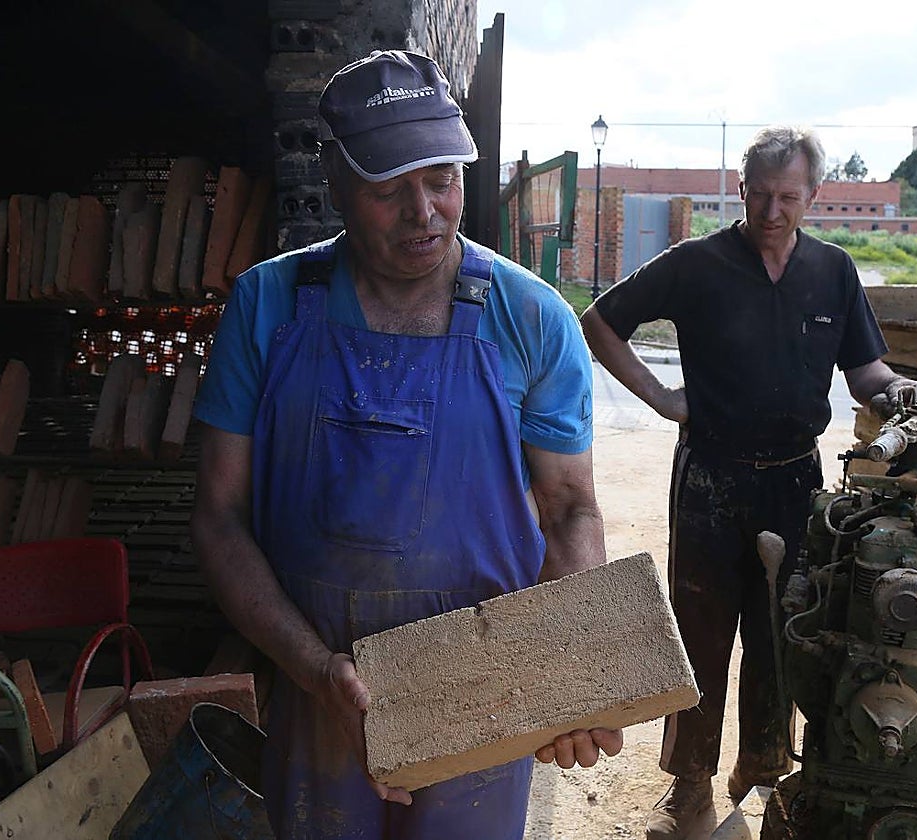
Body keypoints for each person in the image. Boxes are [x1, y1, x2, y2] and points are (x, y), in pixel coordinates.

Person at [190, 49, 622, 840]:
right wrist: (316, 672)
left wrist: (568, 670)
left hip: (485, 699)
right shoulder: (268, 305)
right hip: (317, 687)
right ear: (336, 184)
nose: (426, 212)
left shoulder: (531, 317)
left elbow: (568, 509)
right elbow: (219, 515)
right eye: (390, 190)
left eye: (443, 180)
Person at [579, 125, 917, 840]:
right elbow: (600, 321)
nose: (772, 211)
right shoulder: (696, 265)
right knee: (701, 632)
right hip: (710, 477)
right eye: (759, 195)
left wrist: (899, 390)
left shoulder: (833, 270)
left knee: (788, 632)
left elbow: (864, 370)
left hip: (795, 481)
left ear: (812, 196)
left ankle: (763, 771)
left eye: (787, 196)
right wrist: (663, 399)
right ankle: (688, 788)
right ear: (741, 191)